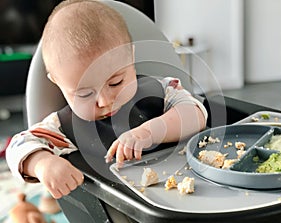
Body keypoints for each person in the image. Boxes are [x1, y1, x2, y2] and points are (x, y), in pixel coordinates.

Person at [6, 0, 207, 200]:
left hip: (189, 193)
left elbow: (195, 114)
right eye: (84, 94)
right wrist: (42, 164)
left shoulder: (162, 90)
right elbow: (17, 146)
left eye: (116, 83)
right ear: (57, 83)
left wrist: (150, 132)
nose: (105, 101)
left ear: (131, 57)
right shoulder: (64, 128)